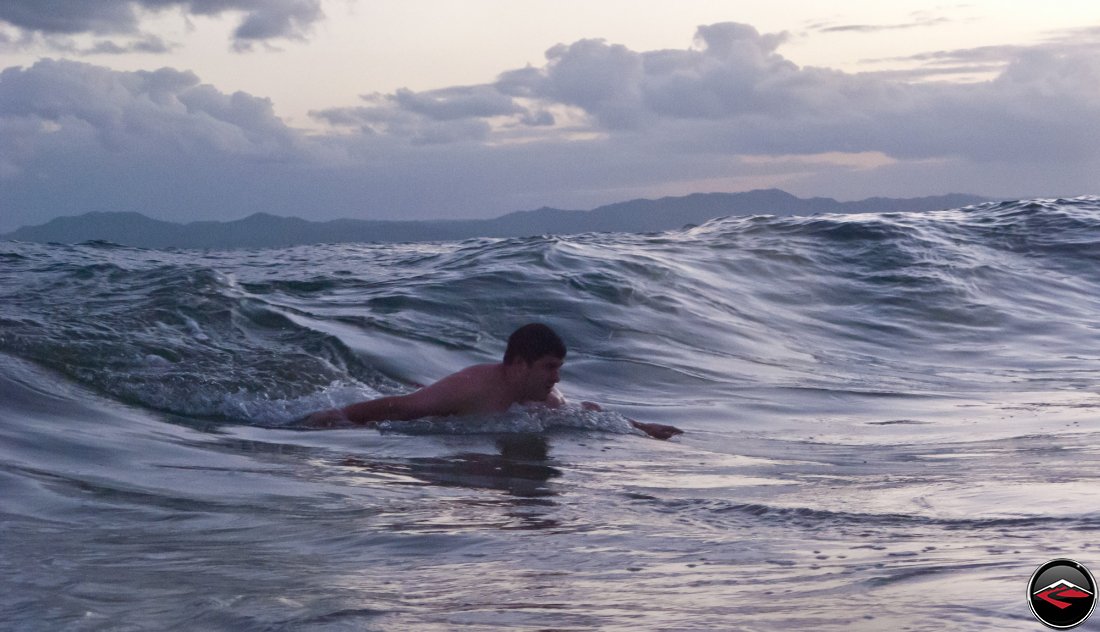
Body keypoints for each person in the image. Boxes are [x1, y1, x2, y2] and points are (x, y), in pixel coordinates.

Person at [306, 323, 683, 440]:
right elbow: (402, 407)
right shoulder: (473, 387)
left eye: (559, 367)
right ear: (520, 364)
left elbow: (587, 413)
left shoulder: (546, 399)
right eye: (549, 367)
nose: (557, 377)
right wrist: (333, 417)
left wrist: (643, 428)